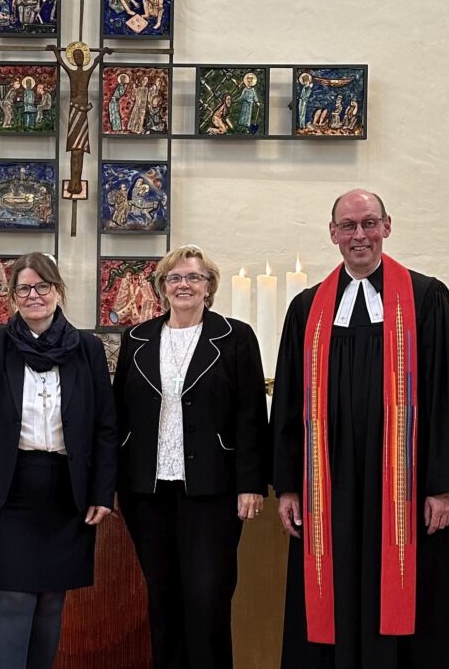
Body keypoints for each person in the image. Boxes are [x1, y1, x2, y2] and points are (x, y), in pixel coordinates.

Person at [271, 189, 449, 669]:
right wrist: (289, 485)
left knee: (407, 597)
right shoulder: (307, 309)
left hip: (405, 492)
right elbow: (289, 406)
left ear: (387, 227)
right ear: (332, 234)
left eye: (369, 223)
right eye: (348, 226)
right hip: (327, 487)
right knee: (333, 584)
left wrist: (444, 488)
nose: (359, 235)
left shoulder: (426, 299)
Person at [0, 252, 117, 669]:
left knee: (50, 601)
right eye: (23, 288)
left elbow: (104, 427)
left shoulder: (87, 348)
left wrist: (102, 490)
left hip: (66, 491)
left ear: (58, 291)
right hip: (7, 490)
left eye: (41, 286)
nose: (33, 296)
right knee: (12, 598)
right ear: (11, 297)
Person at [114, 245, 269, 668]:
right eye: (174, 278)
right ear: (163, 288)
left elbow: (251, 415)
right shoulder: (137, 338)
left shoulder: (235, 337)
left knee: (208, 597)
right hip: (146, 489)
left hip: (212, 490)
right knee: (162, 597)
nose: (184, 285)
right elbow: (119, 412)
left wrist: (251, 484)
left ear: (209, 287)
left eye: (193, 278)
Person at [47, 41, 112, 195]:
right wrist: (55, 51)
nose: (78, 58)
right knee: (74, 151)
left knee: (79, 150)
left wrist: (103, 52)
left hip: (82, 114)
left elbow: (96, 62)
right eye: (75, 56)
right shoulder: (72, 72)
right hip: (74, 112)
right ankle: (72, 182)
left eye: (80, 55)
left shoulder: (86, 73)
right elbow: (61, 63)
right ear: (73, 59)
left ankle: (77, 183)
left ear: (84, 58)